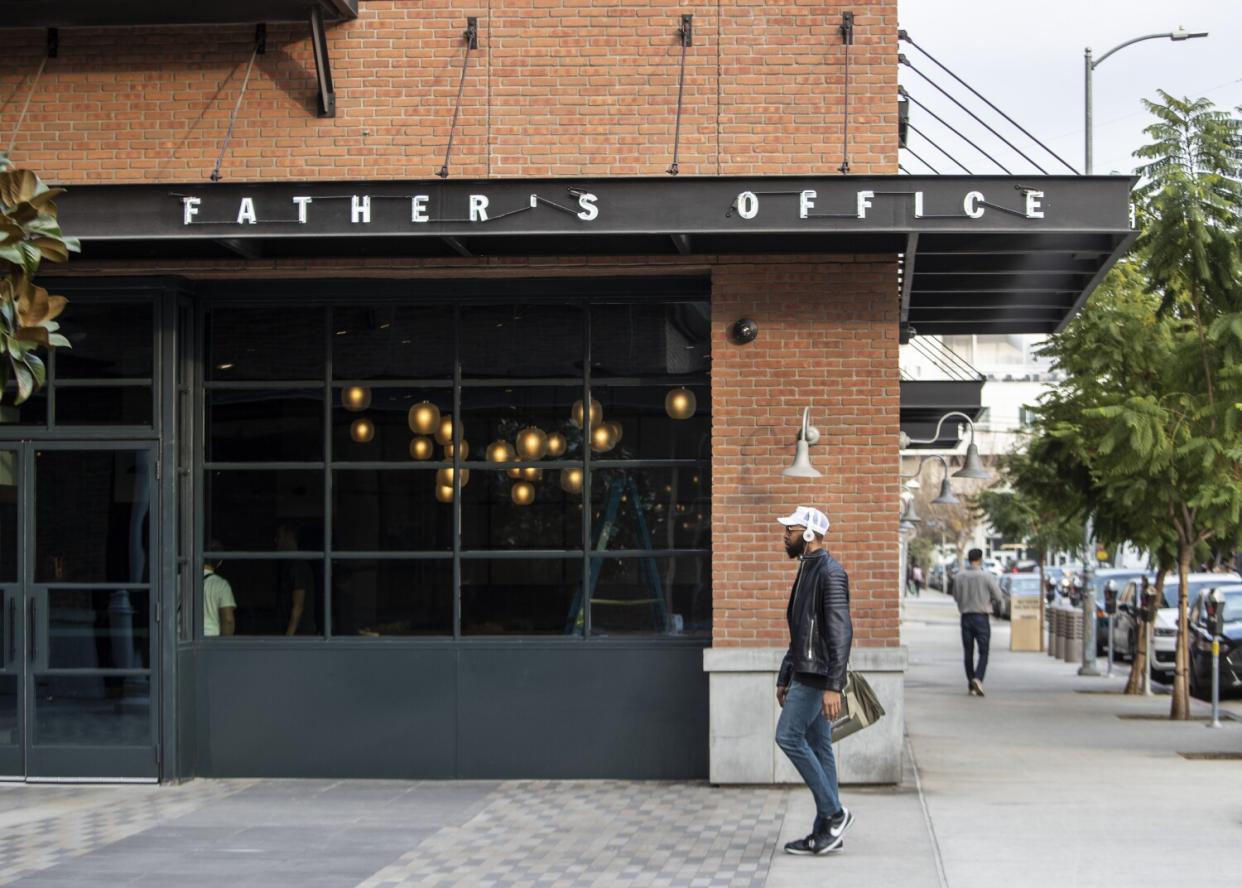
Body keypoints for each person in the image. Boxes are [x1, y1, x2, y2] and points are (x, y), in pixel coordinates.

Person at [774, 506, 854, 856]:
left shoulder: (830, 573)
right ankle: (826, 830)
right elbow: (799, 632)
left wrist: (833, 685)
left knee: (787, 736)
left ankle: (835, 813)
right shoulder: (807, 569)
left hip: (817, 676)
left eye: (790, 529)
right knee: (821, 748)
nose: (785, 535)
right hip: (804, 672)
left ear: (808, 534)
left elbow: (841, 633)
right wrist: (784, 674)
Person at [952, 548, 1003, 696]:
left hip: (966, 617)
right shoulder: (987, 576)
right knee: (984, 651)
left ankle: (971, 682)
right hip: (982, 617)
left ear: (968, 559)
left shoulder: (959, 576)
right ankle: (978, 678)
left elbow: (955, 596)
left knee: (968, 652)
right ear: (980, 559)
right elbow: (998, 596)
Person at [275, 524, 315, 635]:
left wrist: (288, 636)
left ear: (289, 537)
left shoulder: (298, 565)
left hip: (299, 634)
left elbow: (298, 604)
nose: (276, 540)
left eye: (279, 536)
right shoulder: (289, 565)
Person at [203, 557, 236, 637]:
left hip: (179, 640)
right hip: (210, 639)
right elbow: (228, 620)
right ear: (220, 562)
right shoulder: (221, 585)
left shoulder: (178, 579)